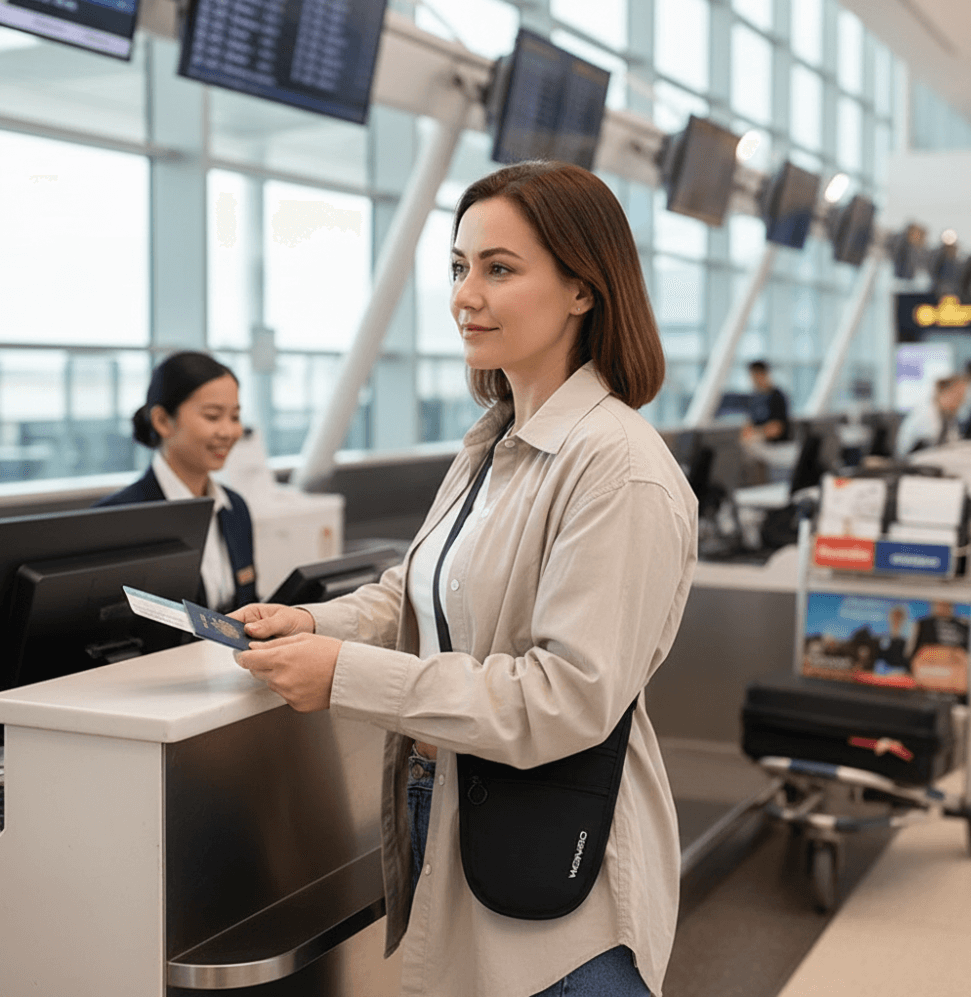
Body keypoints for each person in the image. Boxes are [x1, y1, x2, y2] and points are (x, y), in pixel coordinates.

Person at [231, 162, 697, 997]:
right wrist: (317, 626)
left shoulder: (617, 467)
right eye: (458, 267)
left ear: (583, 290)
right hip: (449, 806)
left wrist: (343, 676)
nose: (464, 296)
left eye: (500, 269)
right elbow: (418, 585)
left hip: (561, 863)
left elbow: (566, 697)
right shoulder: (495, 442)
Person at [96, 350, 257, 611]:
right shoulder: (116, 520)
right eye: (213, 416)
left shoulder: (235, 508)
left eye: (235, 417)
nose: (229, 432)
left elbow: (248, 604)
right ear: (162, 421)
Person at [894, 374, 967, 457]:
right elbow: (925, 450)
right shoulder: (927, 413)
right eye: (957, 397)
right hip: (910, 461)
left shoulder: (945, 414)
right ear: (945, 392)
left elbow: (952, 442)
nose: (961, 402)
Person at [741, 359, 791, 443]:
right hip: (759, 444)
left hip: (777, 446)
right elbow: (749, 425)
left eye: (754, 376)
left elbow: (777, 428)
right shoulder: (755, 398)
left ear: (763, 374)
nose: (753, 380)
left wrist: (756, 434)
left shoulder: (777, 397)